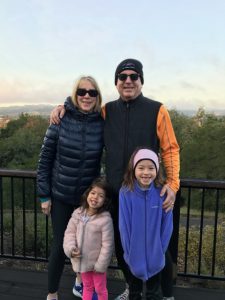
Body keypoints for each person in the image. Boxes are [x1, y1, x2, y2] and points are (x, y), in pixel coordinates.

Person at [50, 58, 180, 300]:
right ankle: (132, 288)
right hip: (117, 192)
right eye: (123, 77)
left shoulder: (157, 110)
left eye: (133, 76)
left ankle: (164, 293)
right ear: (116, 82)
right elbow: (84, 109)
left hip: (149, 193)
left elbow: (171, 149)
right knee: (122, 245)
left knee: (159, 244)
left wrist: (172, 185)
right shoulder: (107, 110)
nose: (128, 81)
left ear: (141, 81)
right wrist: (64, 107)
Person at [37, 75, 104, 300]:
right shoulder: (60, 120)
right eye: (82, 92)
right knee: (59, 247)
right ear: (75, 95)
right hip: (61, 196)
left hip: (87, 199)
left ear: (98, 97)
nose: (86, 96)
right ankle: (52, 293)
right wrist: (44, 194)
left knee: (85, 244)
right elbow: (45, 160)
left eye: (92, 93)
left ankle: (79, 283)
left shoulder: (102, 122)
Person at [119, 148, 173, 300]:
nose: (146, 172)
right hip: (133, 255)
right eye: (141, 168)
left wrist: (160, 249)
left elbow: (167, 225)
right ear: (134, 168)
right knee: (134, 293)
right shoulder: (125, 192)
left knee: (154, 293)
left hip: (156, 256)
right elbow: (124, 225)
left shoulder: (162, 193)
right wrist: (128, 251)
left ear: (157, 169)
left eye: (151, 168)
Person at [63, 177, 114, 300]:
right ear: (88, 194)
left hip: (97, 266)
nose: (95, 197)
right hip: (82, 262)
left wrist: (101, 265)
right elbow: (69, 234)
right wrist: (71, 249)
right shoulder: (78, 213)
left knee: (100, 289)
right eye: (93, 193)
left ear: (105, 200)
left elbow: (108, 245)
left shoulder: (105, 220)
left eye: (100, 196)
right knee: (87, 287)